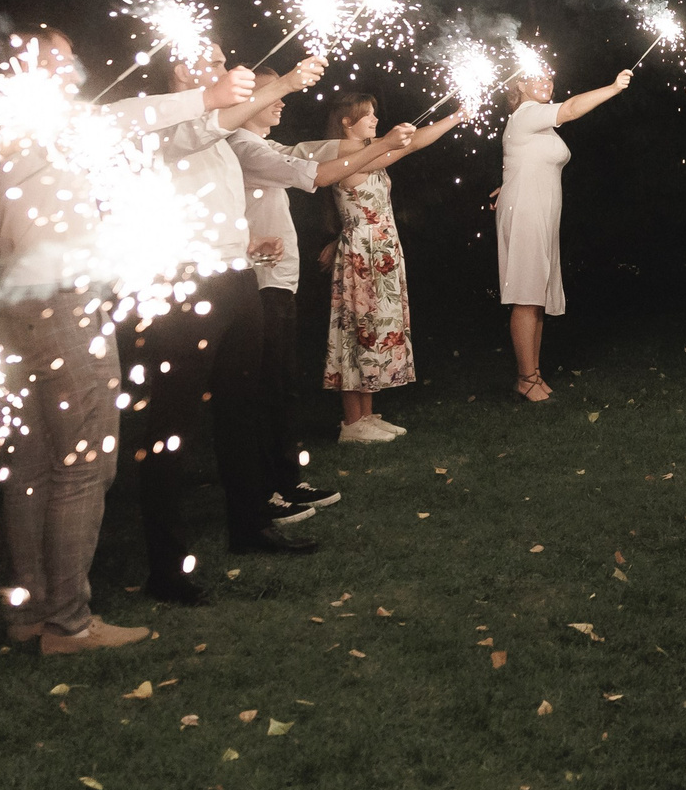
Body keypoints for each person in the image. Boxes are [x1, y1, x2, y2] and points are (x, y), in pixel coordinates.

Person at [0, 28, 251, 645]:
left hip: (10, 301)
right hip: (61, 300)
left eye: (72, 59)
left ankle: (30, 613)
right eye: (58, 62)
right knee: (84, 460)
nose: (73, 71)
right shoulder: (39, 123)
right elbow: (126, 117)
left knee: (34, 462)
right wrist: (207, 97)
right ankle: (69, 621)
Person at [126, 48, 332, 599]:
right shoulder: (157, 117)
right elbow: (204, 130)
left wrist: (245, 242)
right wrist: (283, 83)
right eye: (213, 60)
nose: (225, 66)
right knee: (173, 420)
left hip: (236, 276)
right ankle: (166, 565)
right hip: (184, 284)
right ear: (180, 70)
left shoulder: (219, 127)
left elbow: (213, 198)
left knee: (242, 404)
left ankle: (249, 524)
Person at [231, 75, 417, 515]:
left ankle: (287, 479)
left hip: (280, 273)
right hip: (259, 278)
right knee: (276, 382)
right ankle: (269, 491)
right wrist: (384, 144)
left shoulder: (272, 146)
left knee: (284, 385)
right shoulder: (244, 147)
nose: (283, 103)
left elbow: (312, 160)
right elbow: (316, 175)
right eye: (275, 94)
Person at [305, 89, 463, 442]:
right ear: (347, 122)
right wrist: (451, 119)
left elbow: (408, 144)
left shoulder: (369, 150)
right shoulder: (346, 155)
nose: (375, 119)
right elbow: (409, 145)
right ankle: (352, 423)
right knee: (356, 333)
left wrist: (457, 116)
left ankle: (366, 415)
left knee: (373, 331)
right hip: (362, 255)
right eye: (368, 114)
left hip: (382, 251)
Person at [497, 59, 633, 400]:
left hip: (538, 209)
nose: (547, 81)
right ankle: (525, 378)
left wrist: (507, 184)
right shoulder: (527, 113)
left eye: (549, 76)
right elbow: (571, 109)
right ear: (520, 86)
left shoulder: (537, 122)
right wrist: (613, 87)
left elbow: (521, 160)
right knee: (526, 294)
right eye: (537, 77)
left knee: (537, 295)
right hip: (527, 210)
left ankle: (533, 374)